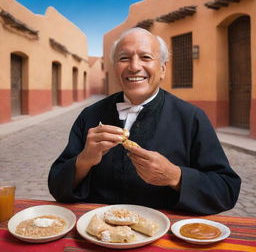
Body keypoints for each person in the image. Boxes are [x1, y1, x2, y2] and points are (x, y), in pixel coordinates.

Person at [48, 28, 241, 215]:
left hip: (164, 237)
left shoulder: (192, 118)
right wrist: (84, 160)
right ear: (115, 68)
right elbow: (56, 186)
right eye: (124, 58)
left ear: (163, 68)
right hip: (97, 232)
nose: (134, 66)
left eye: (146, 57)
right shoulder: (89, 115)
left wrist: (176, 176)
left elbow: (226, 190)